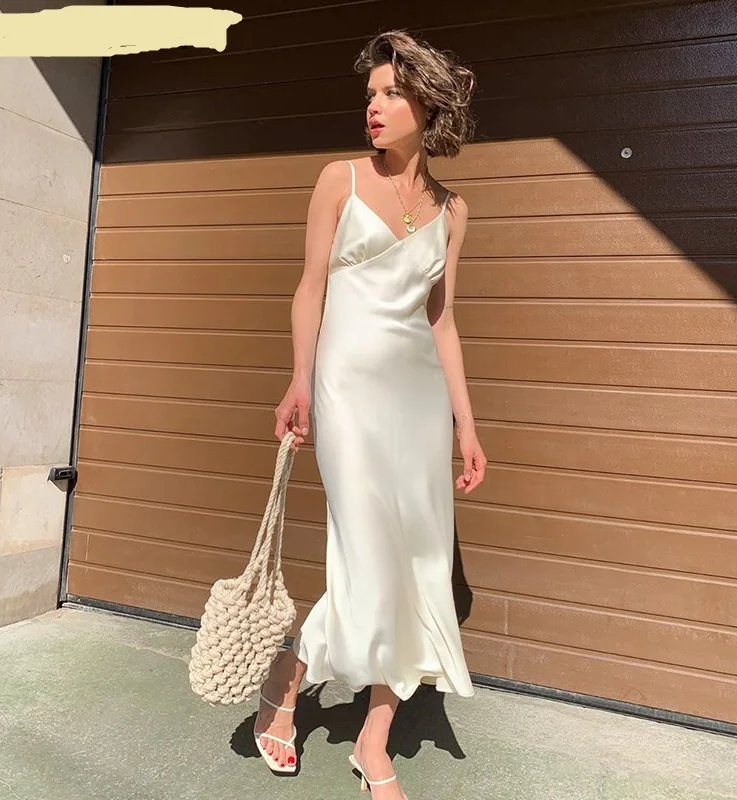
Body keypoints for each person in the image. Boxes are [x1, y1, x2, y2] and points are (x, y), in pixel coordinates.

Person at [253, 29, 487, 799]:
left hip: (416, 401)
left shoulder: (453, 212)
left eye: (391, 93)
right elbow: (310, 287)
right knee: (368, 557)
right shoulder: (339, 180)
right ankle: (289, 675)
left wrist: (466, 424)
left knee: (418, 566)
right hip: (345, 389)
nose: (374, 107)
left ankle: (374, 739)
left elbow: (441, 321)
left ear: (429, 105)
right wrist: (299, 379)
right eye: (370, 95)